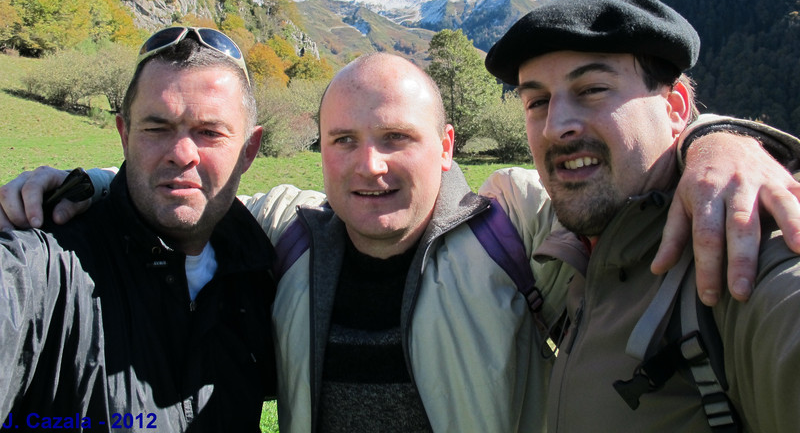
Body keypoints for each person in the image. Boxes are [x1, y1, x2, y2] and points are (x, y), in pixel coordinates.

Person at [3, 53, 800, 432]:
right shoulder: (289, 232)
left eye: (397, 138)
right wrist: (84, 181)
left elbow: (623, 183)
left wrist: (715, 138)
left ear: (448, 144)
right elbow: (189, 184)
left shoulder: (514, 221)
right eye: (342, 140)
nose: (369, 167)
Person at [482, 0, 800, 432]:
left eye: (592, 89)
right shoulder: (573, 246)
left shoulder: (745, 249)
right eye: (537, 102)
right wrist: (718, 136)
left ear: (675, 110)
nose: (556, 125)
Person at [0, 27, 276, 431]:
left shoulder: (261, 273)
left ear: (249, 150)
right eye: (156, 128)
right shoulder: (43, 267)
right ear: (125, 135)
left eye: (209, 132)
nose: (182, 154)